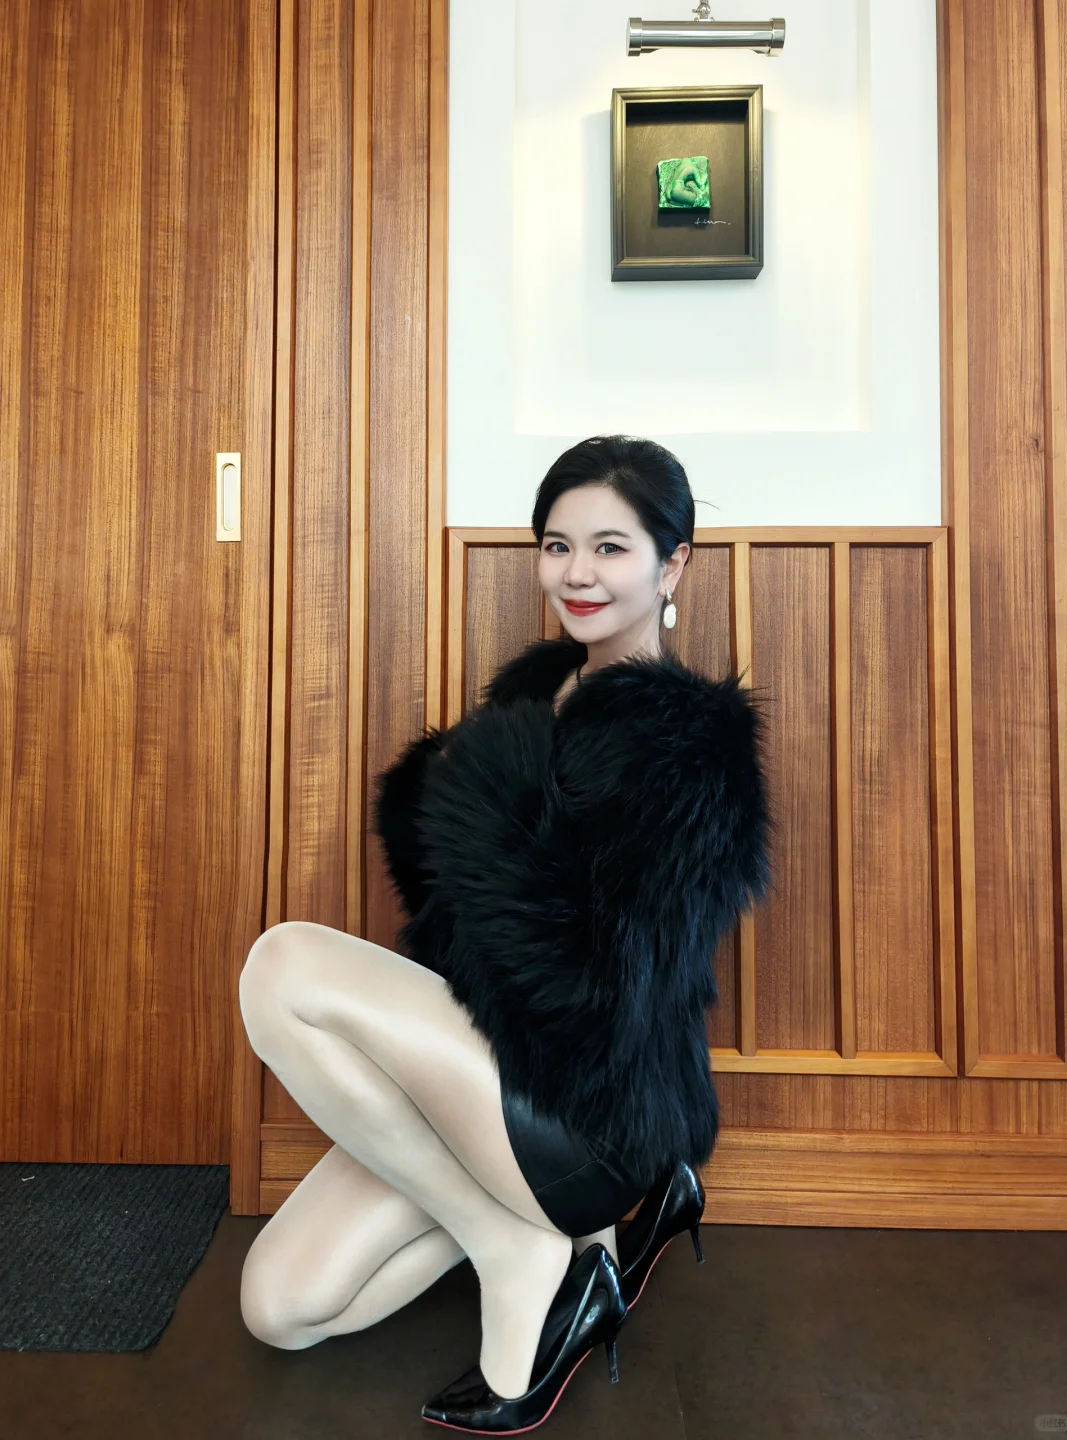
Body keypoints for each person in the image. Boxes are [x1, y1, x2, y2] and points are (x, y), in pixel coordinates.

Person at [236, 434, 772, 1433]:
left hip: (584, 1096)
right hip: (480, 1064)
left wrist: (485, 808)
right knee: (281, 1308)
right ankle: (524, 1229)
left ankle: (520, 1243)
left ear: (673, 565)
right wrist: (449, 809)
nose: (577, 574)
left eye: (610, 548)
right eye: (557, 546)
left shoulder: (691, 751)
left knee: (283, 966)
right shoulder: (534, 695)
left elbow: (602, 988)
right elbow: (453, 921)